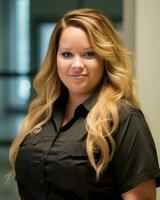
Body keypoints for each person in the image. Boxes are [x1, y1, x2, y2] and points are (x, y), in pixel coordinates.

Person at [9, 8, 160, 199]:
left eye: (89, 54)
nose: (76, 64)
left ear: (105, 59)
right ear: (55, 59)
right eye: (66, 54)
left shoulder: (125, 118)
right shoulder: (42, 115)